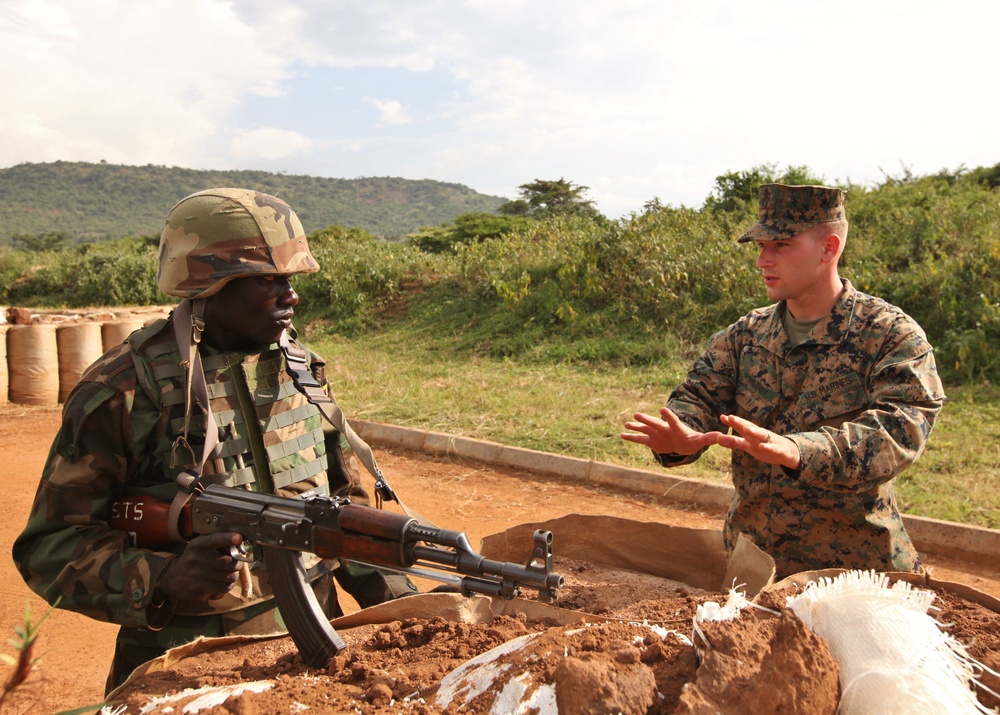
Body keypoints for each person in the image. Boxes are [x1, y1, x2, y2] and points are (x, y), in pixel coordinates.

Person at [12, 188, 416, 693]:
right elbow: (50, 547)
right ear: (208, 283)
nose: (289, 296)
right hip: (182, 670)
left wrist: (405, 607)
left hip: (313, 652)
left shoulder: (300, 371)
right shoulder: (124, 390)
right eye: (267, 280)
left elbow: (345, 509)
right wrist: (160, 578)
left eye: (289, 279)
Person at [621, 183, 945, 579]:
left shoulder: (889, 334)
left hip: (856, 578)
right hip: (754, 571)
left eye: (781, 245)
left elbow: (900, 431)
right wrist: (680, 435)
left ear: (828, 248)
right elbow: (698, 398)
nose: (762, 261)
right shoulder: (746, 334)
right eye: (760, 246)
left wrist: (798, 450)